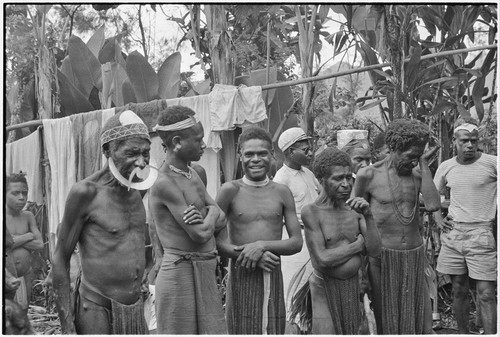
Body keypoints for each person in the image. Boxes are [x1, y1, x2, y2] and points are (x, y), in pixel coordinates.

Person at [52, 110, 155, 334]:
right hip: (96, 308)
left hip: (134, 308)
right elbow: (60, 257)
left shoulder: (140, 188)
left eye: (146, 153)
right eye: (132, 153)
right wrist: (67, 325)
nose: (141, 161)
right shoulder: (86, 193)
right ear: (107, 150)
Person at [354, 118, 441, 334]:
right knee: (387, 317)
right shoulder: (369, 175)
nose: (413, 162)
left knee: (419, 316)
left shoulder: (418, 175)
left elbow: (432, 204)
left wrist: (423, 164)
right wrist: (360, 267)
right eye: (410, 156)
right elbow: (355, 218)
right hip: (382, 256)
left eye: (417, 156)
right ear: (393, 148)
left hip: (413, 254)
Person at [216, 126, 303, 334]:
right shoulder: (230, 190)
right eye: (249, 154)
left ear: (272, 155)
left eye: (262, 153)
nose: (256, 159)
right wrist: (251, 256)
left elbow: (296, 242)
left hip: (272, 271)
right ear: (240, 156)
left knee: (272, 328)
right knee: (241, 329)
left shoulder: (282, 192)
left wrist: (261, 246)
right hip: (241, 273)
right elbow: (217, 242)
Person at [149, 105, 226, 334]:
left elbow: (220, 216)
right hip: (179, 274)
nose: (203, 145)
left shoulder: (193, 173)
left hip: (203, 270)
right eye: (198, 139)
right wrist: (212, 213)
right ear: (177, 142)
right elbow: (200, 234)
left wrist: (208, 214)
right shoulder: (165, 183)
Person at [302, 147, 381, 334]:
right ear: (322, 180)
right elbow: (322, 259)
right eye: (338, 179)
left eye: (348, 177)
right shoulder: (312, 212)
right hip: (324, 288)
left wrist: (369, 216)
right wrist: (357, 245)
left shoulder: (356, 210)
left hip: (353, 289)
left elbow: (376, 252)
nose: (346, 184)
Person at [433, 117, 497, 334]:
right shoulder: (446, 166)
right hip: (454, 234)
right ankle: (462, 333)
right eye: (464, 141)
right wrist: (439, 220)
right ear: (455, 142)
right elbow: (433, 196)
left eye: (473, 140)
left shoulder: (492, 163)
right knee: (458, 289)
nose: (470, 145)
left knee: (487, 293)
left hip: (482, 232)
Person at [273, 127, 320, 315]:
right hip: (296, 241)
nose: (310, 152)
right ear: (291, 151)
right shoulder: (281, 179)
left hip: (315, 236)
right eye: (305, 150)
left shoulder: (308, 173)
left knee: (313, 288)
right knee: (296, 292)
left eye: (310, 148)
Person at [6, 172, 43, 307]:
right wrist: (28, 236)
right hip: (6, 277)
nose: (22, 198)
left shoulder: (28, 216)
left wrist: (14, 241)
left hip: (25, 275)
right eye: (15, 193)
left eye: (24, 193)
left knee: (22, 314)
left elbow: (40, 245)